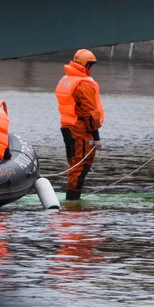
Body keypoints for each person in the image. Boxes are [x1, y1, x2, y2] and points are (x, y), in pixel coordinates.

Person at [54, 48, 104, 200]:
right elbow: (90, 113)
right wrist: (96, 137)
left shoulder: (67, 79)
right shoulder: (83, 83)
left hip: (68, 128)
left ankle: (72, 198)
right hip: (81, 130)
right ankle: (73, 202)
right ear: (86, 65)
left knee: (74, 164)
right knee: (80, 166)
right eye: (91, 65)